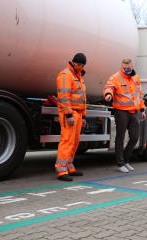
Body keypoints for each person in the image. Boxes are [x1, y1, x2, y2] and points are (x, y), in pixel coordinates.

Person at [103, 59, 146, 173]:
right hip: (121, 111)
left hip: (134, 111)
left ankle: (126, 161)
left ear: (132, 66)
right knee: (120, 137)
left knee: (135, 137)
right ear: (121, 67)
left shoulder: (136, 78)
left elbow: (139, 95)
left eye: (128, 68)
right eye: (124, 68)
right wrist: (108, 94)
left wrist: (142, 110)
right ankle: (120, 163)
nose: (126, 70)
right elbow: (109, 87)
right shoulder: (115, 77)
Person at [55, 53, 87, 181]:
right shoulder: (66, 75)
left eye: (83, 65)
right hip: (70, 113)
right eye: (79, 64)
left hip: (78, 113)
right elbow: (64, 96)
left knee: (74, 141)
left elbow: (82, 98)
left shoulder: (78, 76)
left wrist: (83, 116)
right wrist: (68, 114)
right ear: (73, 62)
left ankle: (68, 166)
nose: (80, 67)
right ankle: (61, 170)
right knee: (67, 140)